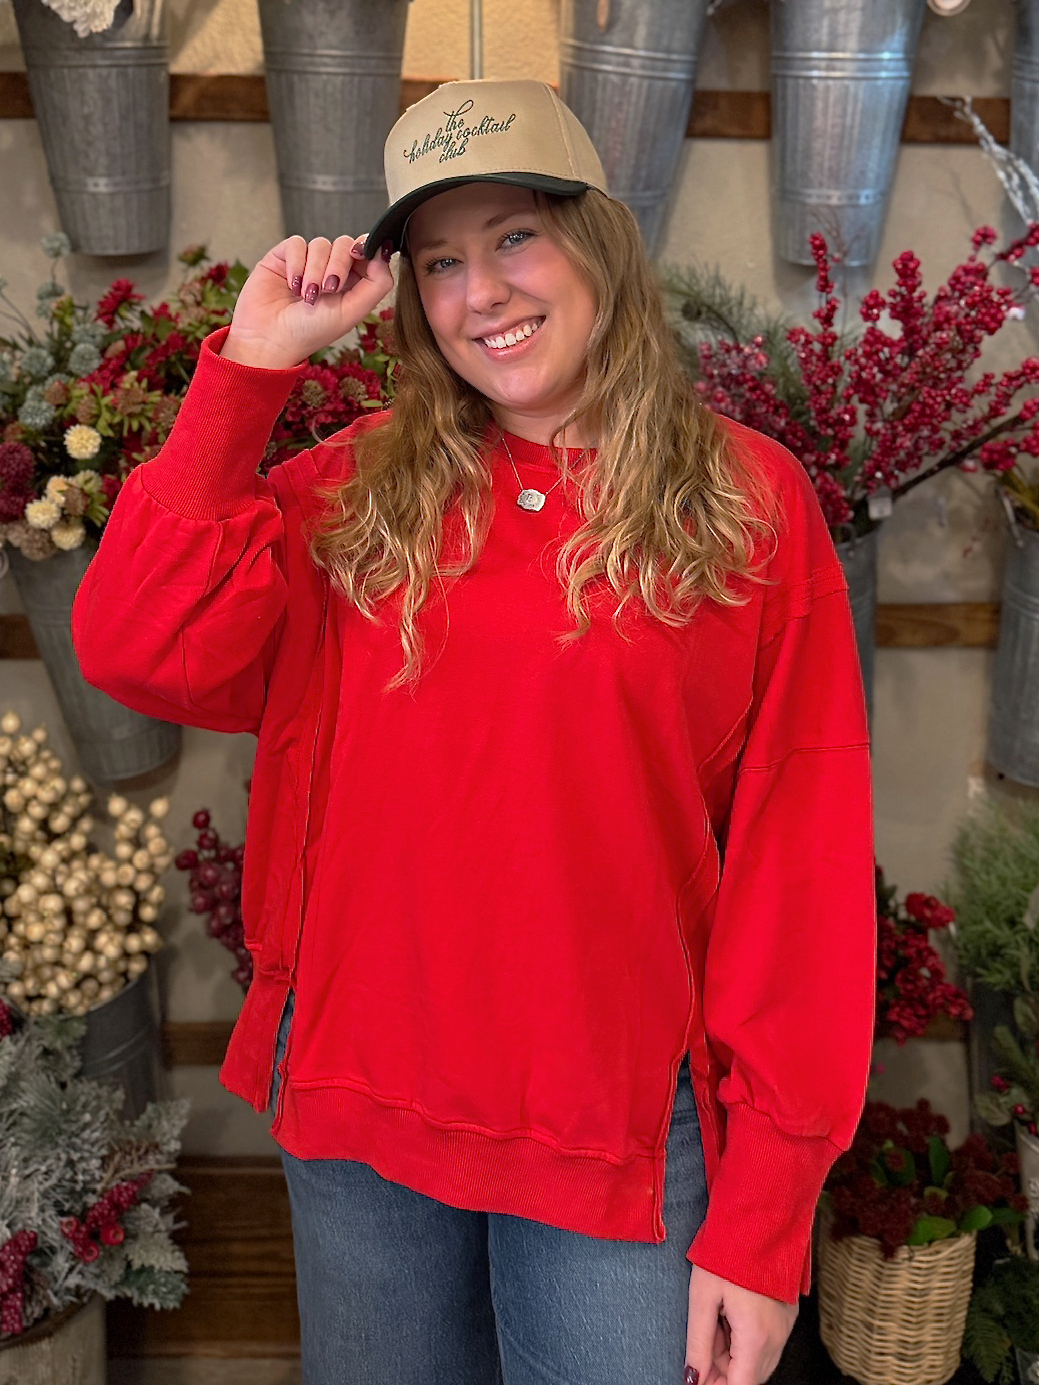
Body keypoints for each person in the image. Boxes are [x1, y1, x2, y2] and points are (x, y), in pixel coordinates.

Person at [72, 78, 875, 1385]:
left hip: (612, 1140)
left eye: (514, 236)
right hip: (357, 1115)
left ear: (599, 241)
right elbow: (134, 647)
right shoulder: (351, 487)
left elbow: (804, 860)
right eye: (438, 261)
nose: (480, 292)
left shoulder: (743, 502)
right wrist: (255, 368)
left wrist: (768, 1215)